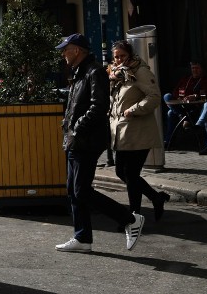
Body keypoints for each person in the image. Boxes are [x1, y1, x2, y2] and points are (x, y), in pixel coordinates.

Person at [55, 33, 145, 254]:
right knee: (73, 190)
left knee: (81, 190)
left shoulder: (94, 71)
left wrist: (76, 127)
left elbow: (98, 106)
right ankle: (82, 238)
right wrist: (67, 124)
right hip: (75, 140)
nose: (63, 53)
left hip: (86, 141)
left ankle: (129, 220)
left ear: (77, 50)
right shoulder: (79, 72)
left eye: (66, 49)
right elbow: (77, 104)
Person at [108, 40, 170, 220]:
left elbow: (154, 97)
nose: (119, 60)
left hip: (138, 131)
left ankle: (134, 216)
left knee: (131, 174)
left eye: (122, 56)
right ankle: (156, 198)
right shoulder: (118, 74)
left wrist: (133, 110)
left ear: (131, 55)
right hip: (122, 132)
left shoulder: (140, 71)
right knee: (122, 172)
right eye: (116, 57)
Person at [163, 60, 207, 146]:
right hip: (181, 106)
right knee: (167, 96)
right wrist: (179, 97)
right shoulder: (186, 79)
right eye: (193, 68)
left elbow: (205, 93)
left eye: (197, 68)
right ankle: (183, 117)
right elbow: (176, 91)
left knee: (170, 113)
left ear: (202, 69)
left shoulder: (205, 80)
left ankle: (168, 141)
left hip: (194, 108)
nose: (194, 70)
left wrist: (194, 96)